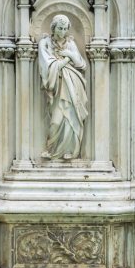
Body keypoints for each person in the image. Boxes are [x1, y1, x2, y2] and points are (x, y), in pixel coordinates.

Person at [38, 15, 88, 160]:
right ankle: (51, 149)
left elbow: (82, 64)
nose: (63, 32)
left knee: (71, 118)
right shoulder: (45, 43)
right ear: (53, 28)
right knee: (55, 121)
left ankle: (71, 151)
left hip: (72, 87)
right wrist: (66, 59)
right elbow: (48, 65)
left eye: (65, 29)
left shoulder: (70, 44)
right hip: (56, 87)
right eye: (60, 28)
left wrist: (70, 54)